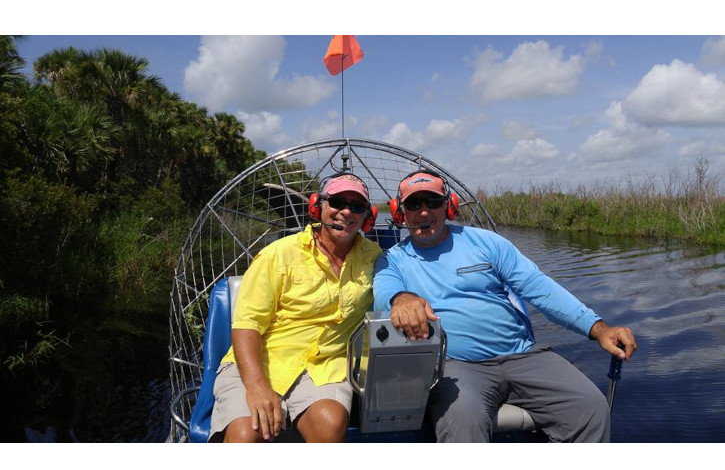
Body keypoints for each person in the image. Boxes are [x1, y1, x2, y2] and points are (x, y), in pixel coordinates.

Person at [373, 170, 638, 442]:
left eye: (433, 202)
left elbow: (541, 289)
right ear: (400, 212)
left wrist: (598, 328)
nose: (424, 212)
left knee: (591, 408)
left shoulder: (487, 242)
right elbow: (383, 294)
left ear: (448, 206)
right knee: (463, 420)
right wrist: (401, 299)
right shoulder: (392, 260)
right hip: (455, 367)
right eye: (414, 205)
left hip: (523, 356)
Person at [209, 173, 381, 443]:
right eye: (337, 202)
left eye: (356, 206)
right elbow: (247, 324)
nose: (345, 212)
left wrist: (406, 298)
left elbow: (399, 282)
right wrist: (256, 387)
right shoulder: (278, 254)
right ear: (318, 206)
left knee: (330, 423)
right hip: (262, 361)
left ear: (366, 217)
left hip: (326, 366)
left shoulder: (374, 257)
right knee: (246, 434)